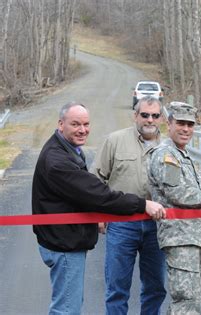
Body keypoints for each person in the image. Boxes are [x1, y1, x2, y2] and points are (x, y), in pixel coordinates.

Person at [32, 102, 166, 315]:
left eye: (85, 124)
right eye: (75, 124)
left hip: (69, 239)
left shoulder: (67, 150)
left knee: (70, 304)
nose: (82, 129)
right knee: (67, 308)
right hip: (64, 242)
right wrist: (142, 204)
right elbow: (96, 193)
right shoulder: (58, 160)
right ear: (60, 124)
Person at [147, 101, 201, 315]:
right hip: (180, 238)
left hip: (193, 237)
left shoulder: (181, 154)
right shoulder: (166, 155)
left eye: (190, 124)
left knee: (191, 301)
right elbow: (177, 192)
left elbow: (199, 180)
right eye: (181, 123)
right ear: (169, 124)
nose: (186, 129)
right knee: (186, 302)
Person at [91, 96, 166, 314]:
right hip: (122, 225)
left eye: (154, 115)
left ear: (161, 118)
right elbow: (95, 180)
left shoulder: (168, 147)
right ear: (135, 116)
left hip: (157, 227)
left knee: (155, 287)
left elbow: (189, 179)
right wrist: (99, 214)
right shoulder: (114, 141)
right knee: (117, 289)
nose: (149, 120)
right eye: (144, 115)